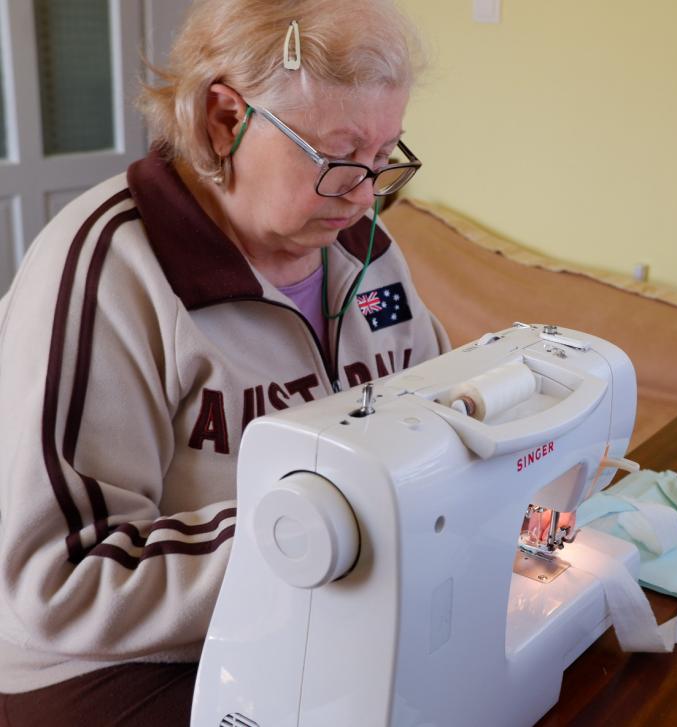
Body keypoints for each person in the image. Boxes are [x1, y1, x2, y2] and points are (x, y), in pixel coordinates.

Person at [0, 1, 447, 724]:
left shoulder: (366, 254)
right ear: (225, 119)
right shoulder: (108, 270)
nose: (364, 195)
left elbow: (436, 414)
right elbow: (63, 576)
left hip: (307, 611)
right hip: (105, 660)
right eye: (338, 158)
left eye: (383, 156)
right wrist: (327, 527)